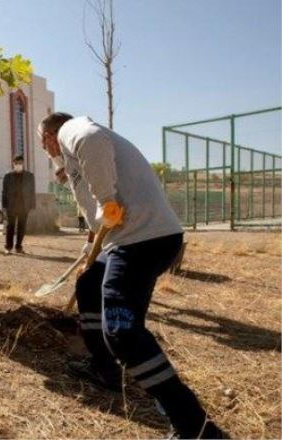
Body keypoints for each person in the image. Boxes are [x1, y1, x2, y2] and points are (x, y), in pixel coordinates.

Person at [38, 113, 226, 439]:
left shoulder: (72, 130)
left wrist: (105, 199)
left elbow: (92, 142)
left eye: (43, 142)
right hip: (128, 238)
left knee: (123, 333)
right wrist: (91, 244)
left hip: (142, 239)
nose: (44, 148)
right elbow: (100, 213)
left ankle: (196, 428)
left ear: (51, 135)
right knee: (88, 283)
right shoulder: (71, 159)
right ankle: (104, 368)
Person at [1, 155, 36, 254]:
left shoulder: (30, 176)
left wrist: (32, 206)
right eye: (16, 163)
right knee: (10, 227)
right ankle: (8, 247)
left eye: (20, 163)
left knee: (22, 227)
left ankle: (19, 246)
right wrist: (4, 206)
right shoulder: (7, 176)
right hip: (11, 206)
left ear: (23, 163)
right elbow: (4, 192)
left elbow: (32, 192)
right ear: (13, 164)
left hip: (24, 206)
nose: (18, 165)